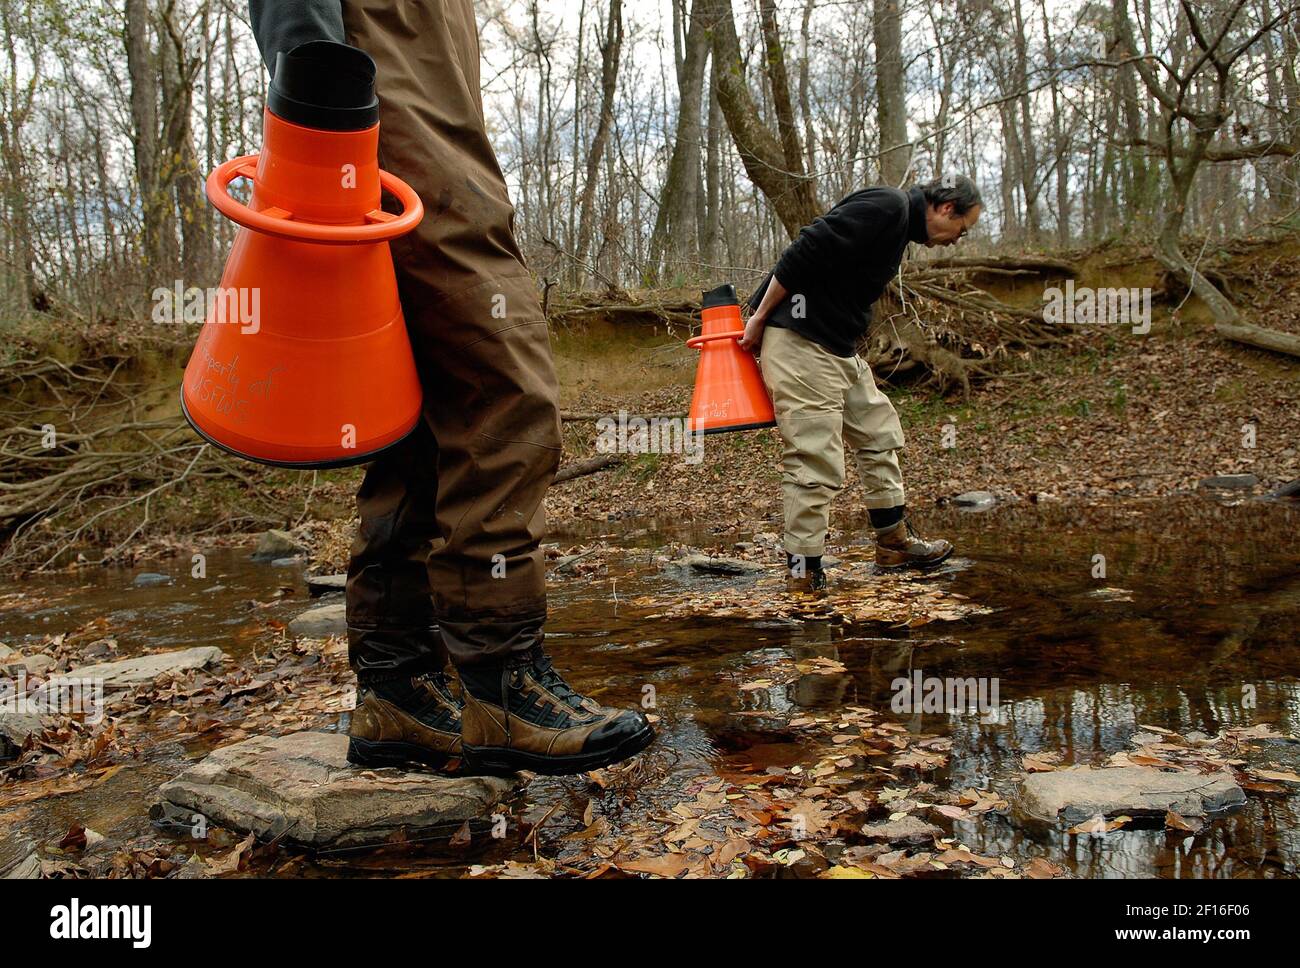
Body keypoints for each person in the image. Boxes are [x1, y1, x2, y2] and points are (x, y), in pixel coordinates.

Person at [246, 0, 654, 775]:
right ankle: (503, 686)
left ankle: (396, 689)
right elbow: (300, 26)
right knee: (505, 389)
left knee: (417, 426)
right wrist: (324, 152)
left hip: (434, 157)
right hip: (383, 151)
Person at [739, 176, 984, 590]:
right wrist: (759, 318)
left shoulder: (898, 227)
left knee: (878, 432)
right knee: (815, 460)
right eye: (963, 229)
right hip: (801, 343)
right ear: (946, 208)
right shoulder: (887, 205)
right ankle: (803, 577)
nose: (958, 240)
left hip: (837, 349)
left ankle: (894, 543)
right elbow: (804, 249)